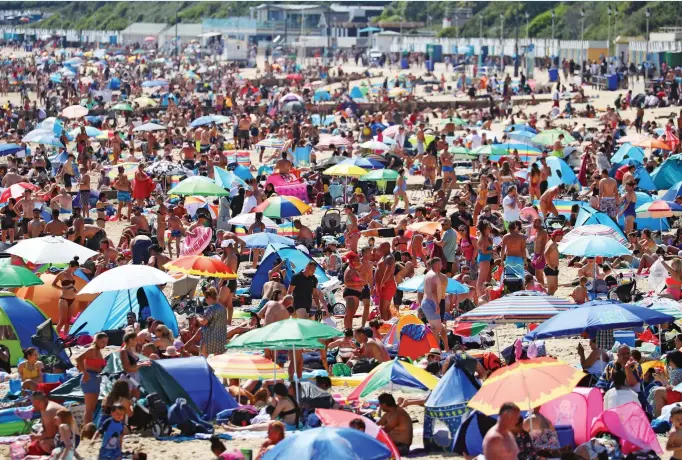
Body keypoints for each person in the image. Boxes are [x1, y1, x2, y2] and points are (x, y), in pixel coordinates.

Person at [76, 332, 108, 425]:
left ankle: (88, 427)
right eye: (102, 342)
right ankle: (87, 429)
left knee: (91, 408)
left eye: (106, 342)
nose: (104, 344)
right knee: (89, 408)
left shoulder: (98, 351)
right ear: (97, 340)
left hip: (95, 378)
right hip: (89, 377)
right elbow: (78, 359)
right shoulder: (92, 350)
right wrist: (84, 372)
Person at [27, 392, 67, 456]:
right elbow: (45, 427)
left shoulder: (48, 411)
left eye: (33, 403)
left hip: (68, 438)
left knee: (44, 443)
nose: (33, 406)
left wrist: (36, 437)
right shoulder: (46, 405)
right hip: (66, 432)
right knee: (36, 427)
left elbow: (50, 435)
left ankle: (55, 455)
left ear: (37, 402)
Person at [650, 351, 682, 416]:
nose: (669, 364)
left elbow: (670, 387)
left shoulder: (677, 371)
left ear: (672, 361)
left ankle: (659, 416)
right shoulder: (678, 370)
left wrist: (660, 380)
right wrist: (662, 376)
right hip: (678, 392)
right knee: (655, 389)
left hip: (678, 394)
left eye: (669, 361)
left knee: (656, 391)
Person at [421, 257, 445, 347]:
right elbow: (434, 291)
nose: (442, 266)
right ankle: (426, 345)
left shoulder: (428, 274)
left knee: (434, 327)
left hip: (426, 302)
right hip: (431, 303)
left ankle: (434, 347)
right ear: (437, 265)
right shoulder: (434, 275)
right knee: (438, 327)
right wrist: (437, 306)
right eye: (441, 264)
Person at [198, 287, 227, 357]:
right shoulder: (222, 308)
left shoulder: (211, 308)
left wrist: (197, 317)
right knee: (218, 358)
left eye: (205, 298)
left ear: (209, 297)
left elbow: (203, 321)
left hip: (209, 337)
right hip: (221, 337)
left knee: (203, 356)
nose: (205, 300)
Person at [543, 229, 562, 295]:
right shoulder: (551, 244)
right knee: (551, 288)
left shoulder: (552, 243)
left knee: (555, 287)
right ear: (558, 236)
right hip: (550, 268)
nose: (561, 238)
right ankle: (548, 303)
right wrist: (550, 265)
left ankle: (550, 300)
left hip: (554, 268)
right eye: (561, 236)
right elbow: (545, 253)